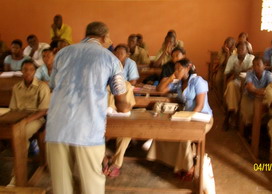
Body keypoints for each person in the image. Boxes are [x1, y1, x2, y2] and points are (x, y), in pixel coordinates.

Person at [45, 21, 131, 194]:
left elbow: (53, 85)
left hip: (56, 128)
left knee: (61, 186)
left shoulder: (62, 53)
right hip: (88, 130)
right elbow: (121, 103)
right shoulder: (110, 59)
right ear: (105, 37)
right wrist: (126, 105)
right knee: (91, 183)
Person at [148, 58, 213, 179]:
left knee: (183, 136)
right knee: (167, 131)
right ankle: (177, 163)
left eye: (179, 68)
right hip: (186, 117)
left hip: (202, 118)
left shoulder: (198, 81)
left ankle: (188, 167)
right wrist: (172, 77)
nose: (176, 71)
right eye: (175, 69)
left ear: (188, 68)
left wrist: (187, 118)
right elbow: (160, 89)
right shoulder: (178, 83)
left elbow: (199, 106)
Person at [8, 59, 50, 186]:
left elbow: (43, 111)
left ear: (35, 71)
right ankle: (16, 170)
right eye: (25, 70)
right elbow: (13, 109)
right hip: (19, 118)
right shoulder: (17, 87)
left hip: (36, 119)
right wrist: (17, 121)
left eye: (31, 70)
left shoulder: (42, 86)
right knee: (12, 133)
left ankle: (16, 177)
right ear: (21, 71)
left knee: (21, 136)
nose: (28, 72)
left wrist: (25, 121)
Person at [223, 41, 254, 130]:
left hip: (248, 82)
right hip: (237, 80)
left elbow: (252, 71)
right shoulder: (232, 58)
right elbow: (227, 72)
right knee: (231, 86)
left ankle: (230, 115)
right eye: (238, 49)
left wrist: (239, 71)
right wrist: (236, 72)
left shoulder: (251, 58)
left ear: (247, 50)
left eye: (242, 49)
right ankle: (233, 113)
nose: (240, 50)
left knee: (241, 90)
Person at [240, 56, 272, 125]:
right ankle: (249, 127)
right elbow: (249, 87)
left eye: (258, 64)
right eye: (254, 65)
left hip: (262, 98)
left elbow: (271, 88)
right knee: (249, 113)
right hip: (250, 97)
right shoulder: (250, 73)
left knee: (269, 111)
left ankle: (260, 128)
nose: (255, 67)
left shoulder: (268, 74)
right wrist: (261, 91)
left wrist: (255, 90)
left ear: (264, 65)